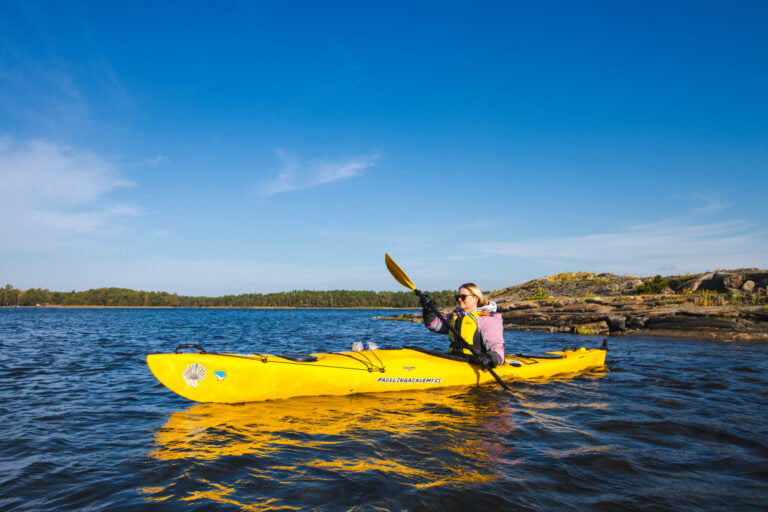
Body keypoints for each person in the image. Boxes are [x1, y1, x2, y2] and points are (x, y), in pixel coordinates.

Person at [420, 283, 505, 368]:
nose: (459, 299)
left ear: (475, 298)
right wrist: (429, 310)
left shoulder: (487, 319)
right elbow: (434, 325)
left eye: (463, 297)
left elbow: (497, 347)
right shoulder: (456, 317)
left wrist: (492, 358)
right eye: (458, 297)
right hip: (454, 358)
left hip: (475, 363)